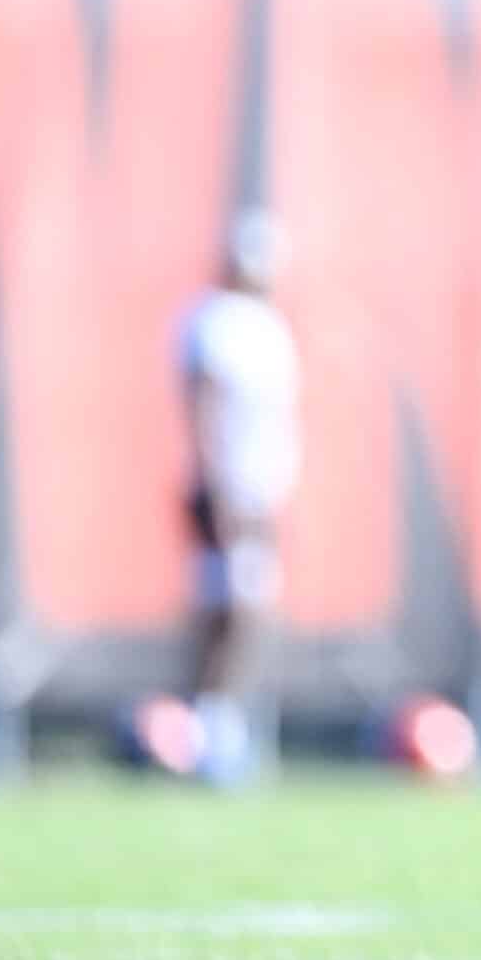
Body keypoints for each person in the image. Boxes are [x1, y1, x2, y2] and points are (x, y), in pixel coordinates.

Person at [175, 207, 300, 786]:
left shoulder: (264, 324)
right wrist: (215, 486)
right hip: (230, 493)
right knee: (232, 612)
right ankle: (211, 732)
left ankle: (217, 727)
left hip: (258, 490)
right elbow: (203, 405)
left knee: (245, 609)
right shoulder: (216, 321)